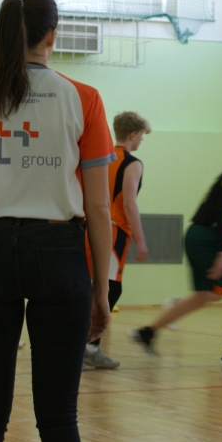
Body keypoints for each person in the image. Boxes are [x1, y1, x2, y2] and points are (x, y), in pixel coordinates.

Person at [0, 0, 115, 442]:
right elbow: (99, 209)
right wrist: (101, 289)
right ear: (52, 35)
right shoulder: (85, 98)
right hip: (60, 253)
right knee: (59, 417)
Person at [131, 134, 222, 371]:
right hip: (207, 237)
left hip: (197, 234)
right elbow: (221, 216)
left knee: (203, 295)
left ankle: (148, 332)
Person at [84, 111, 150, 370]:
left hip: (87, 227)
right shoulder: (132, 163)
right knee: (108, 288)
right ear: (132, 135)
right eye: (141, 135)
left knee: (90, 286)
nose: (142, 140)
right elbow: (129, 203)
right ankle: (87, 346)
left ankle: (88, 346)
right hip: (112, 231)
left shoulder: (101, 155)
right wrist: (141, 240)